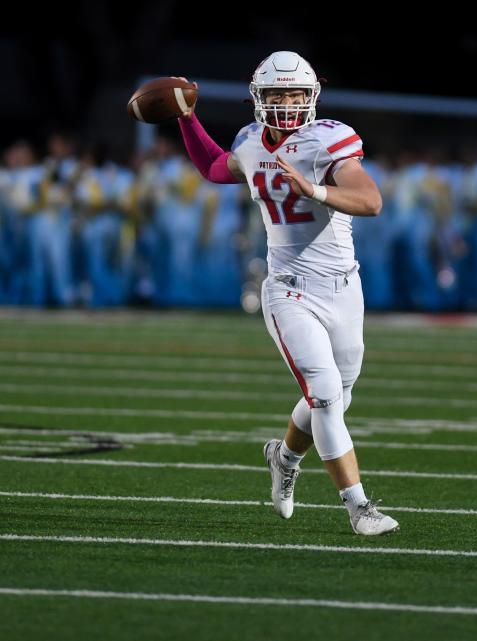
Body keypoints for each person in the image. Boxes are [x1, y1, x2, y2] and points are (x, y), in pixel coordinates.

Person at [173, 51, 396, 536]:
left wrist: (314, 190)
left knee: (339, 396)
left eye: (295, 93)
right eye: (277, 94)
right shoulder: (250, 141)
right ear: (260, 98)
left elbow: (371, 200)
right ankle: (360, 508)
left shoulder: (327, 140)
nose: (288, 103)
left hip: (343, 288)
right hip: (289, 290)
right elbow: (215, 167)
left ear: (311, 95)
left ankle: (284, 456)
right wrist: (188, 120)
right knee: (323, 395)